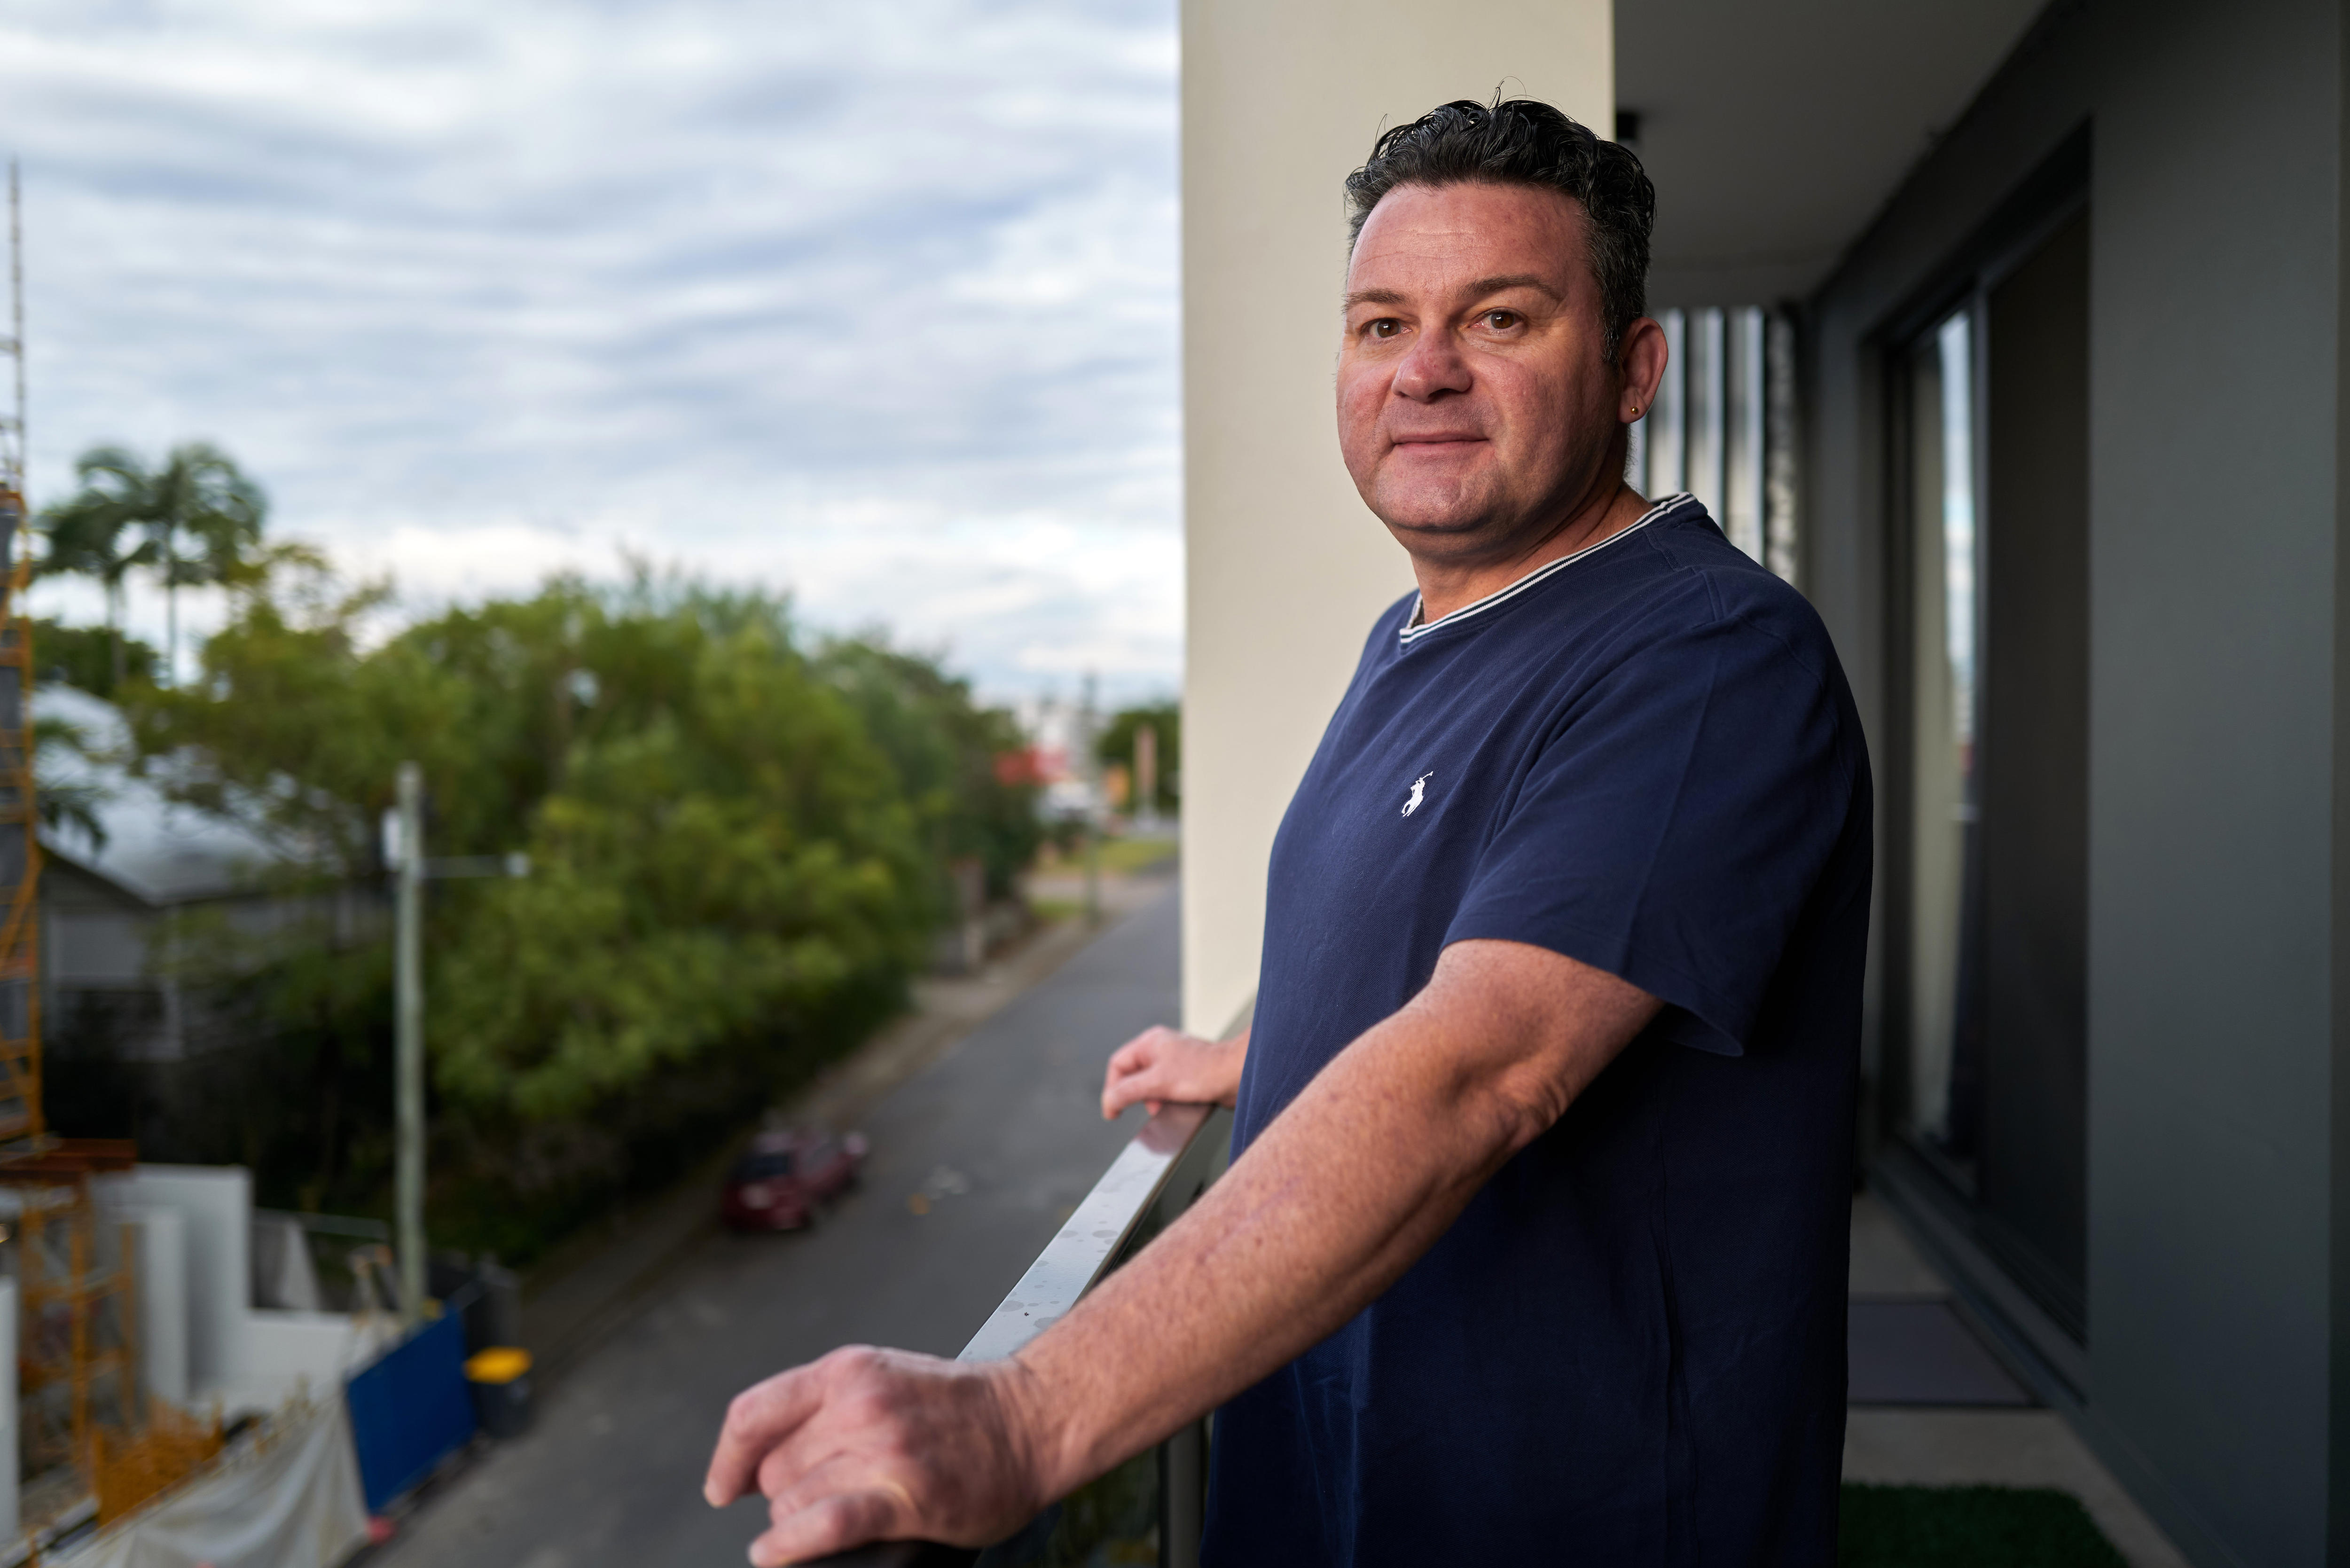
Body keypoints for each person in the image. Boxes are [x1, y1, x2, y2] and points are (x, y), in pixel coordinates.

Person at [703, 97, 1871, 1565]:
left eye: (1499, 318)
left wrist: (1020, 1418)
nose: (1426, 369)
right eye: (1382, 325)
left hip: (1572, 1515)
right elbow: (1463, 935)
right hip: (1338, 1479)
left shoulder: (1704, 660)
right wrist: (1262, 1052)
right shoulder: (1415, 634)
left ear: (1633, 367)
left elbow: (1489, 1066)